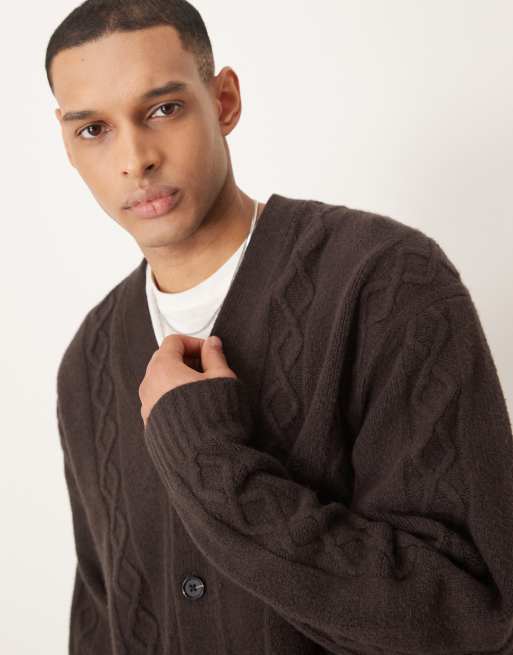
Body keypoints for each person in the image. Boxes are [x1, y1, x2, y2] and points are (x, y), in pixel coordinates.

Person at [47, 1, 513, 654]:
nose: (135, 159)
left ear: (224, 101)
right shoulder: (89, 364)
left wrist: (209, 459)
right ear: (67, 144)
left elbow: (468, 618)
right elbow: (100, 626)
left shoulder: (386, 283)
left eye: (163, 109)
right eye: (94, 128)